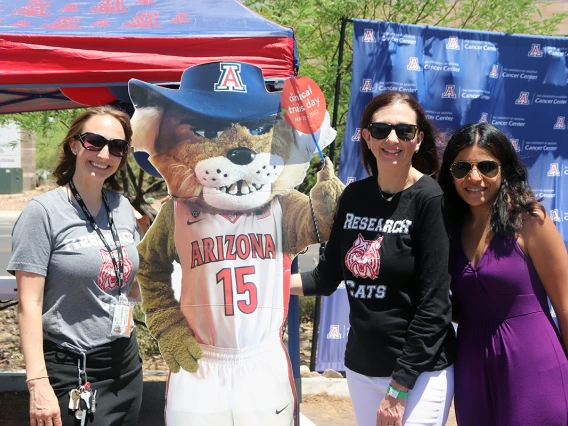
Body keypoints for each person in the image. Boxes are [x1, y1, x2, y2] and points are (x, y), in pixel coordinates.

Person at [291, 91, 455, 426]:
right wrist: (263, 284)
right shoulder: (354, 197)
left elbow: (435, 305)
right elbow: (325, 278)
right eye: (380, 130)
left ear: (418, 139)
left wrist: (400, 386)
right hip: (362, 367)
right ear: (366, 136)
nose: (392, 139)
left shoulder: (430, 200)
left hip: (419, 373)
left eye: (404, 131)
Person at [8, 106, 143, 426]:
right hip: (74, 370)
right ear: (74, 145)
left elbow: (130, 281)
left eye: (117, 146)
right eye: (94, 141)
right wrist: (38, 383)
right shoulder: (43, 212)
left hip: (126, 366)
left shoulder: (122, 207)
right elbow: (29, 303)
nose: (105, 153)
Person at [438, 122, 568, 426]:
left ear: (504, 170)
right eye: (461, 168)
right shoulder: (450, 228)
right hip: (471, 366)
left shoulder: (529, 219)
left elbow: (564, 306)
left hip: (532, 365)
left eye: (486, 166)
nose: (474, 177)